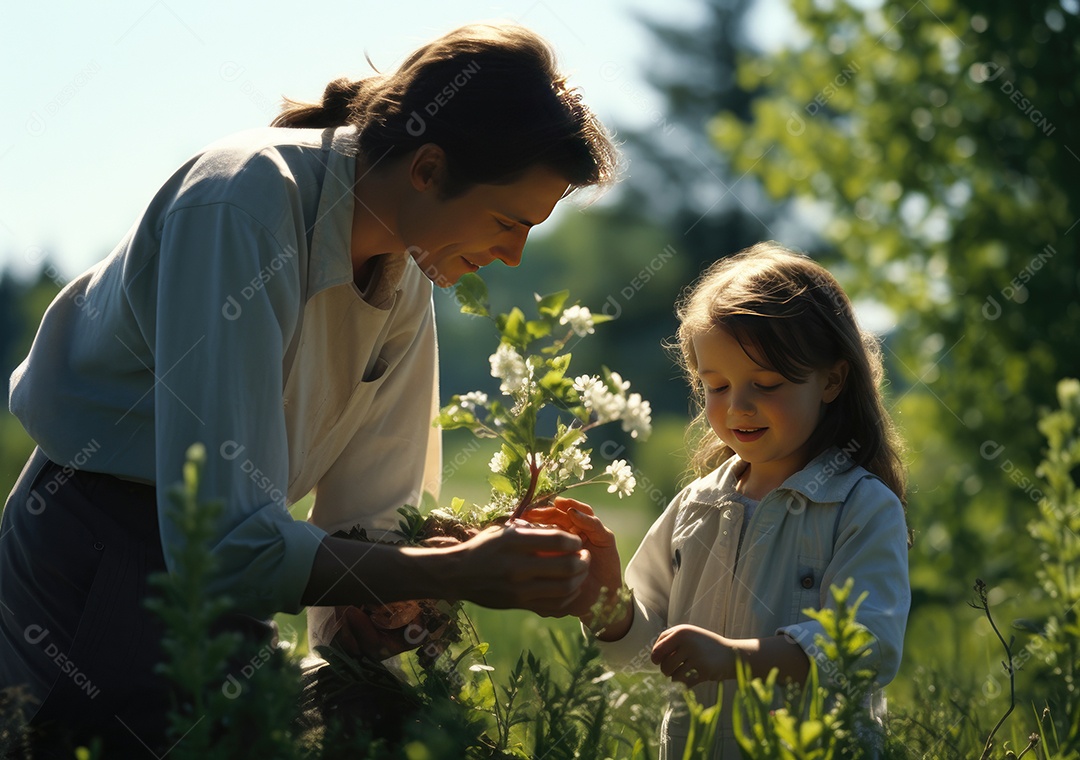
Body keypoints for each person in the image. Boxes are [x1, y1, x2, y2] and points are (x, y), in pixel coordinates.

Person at [0, 23, 618, 756]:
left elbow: (370, 530)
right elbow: (225, 547)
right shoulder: (240, 204)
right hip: (100, 563)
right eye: (509, 221)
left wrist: (410, 591)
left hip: (236, 588)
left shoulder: (404, 279)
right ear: (427, 168)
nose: (512, 255)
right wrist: (459, 569)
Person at [530, 243, 912, 758]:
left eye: (767, 383)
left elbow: (869, 646)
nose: (739, 406)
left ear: (833, 379)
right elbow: (646, 644)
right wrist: (607, 602)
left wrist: (736, 658)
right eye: (717, 386)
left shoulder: (861, 507)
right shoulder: (697, 505)